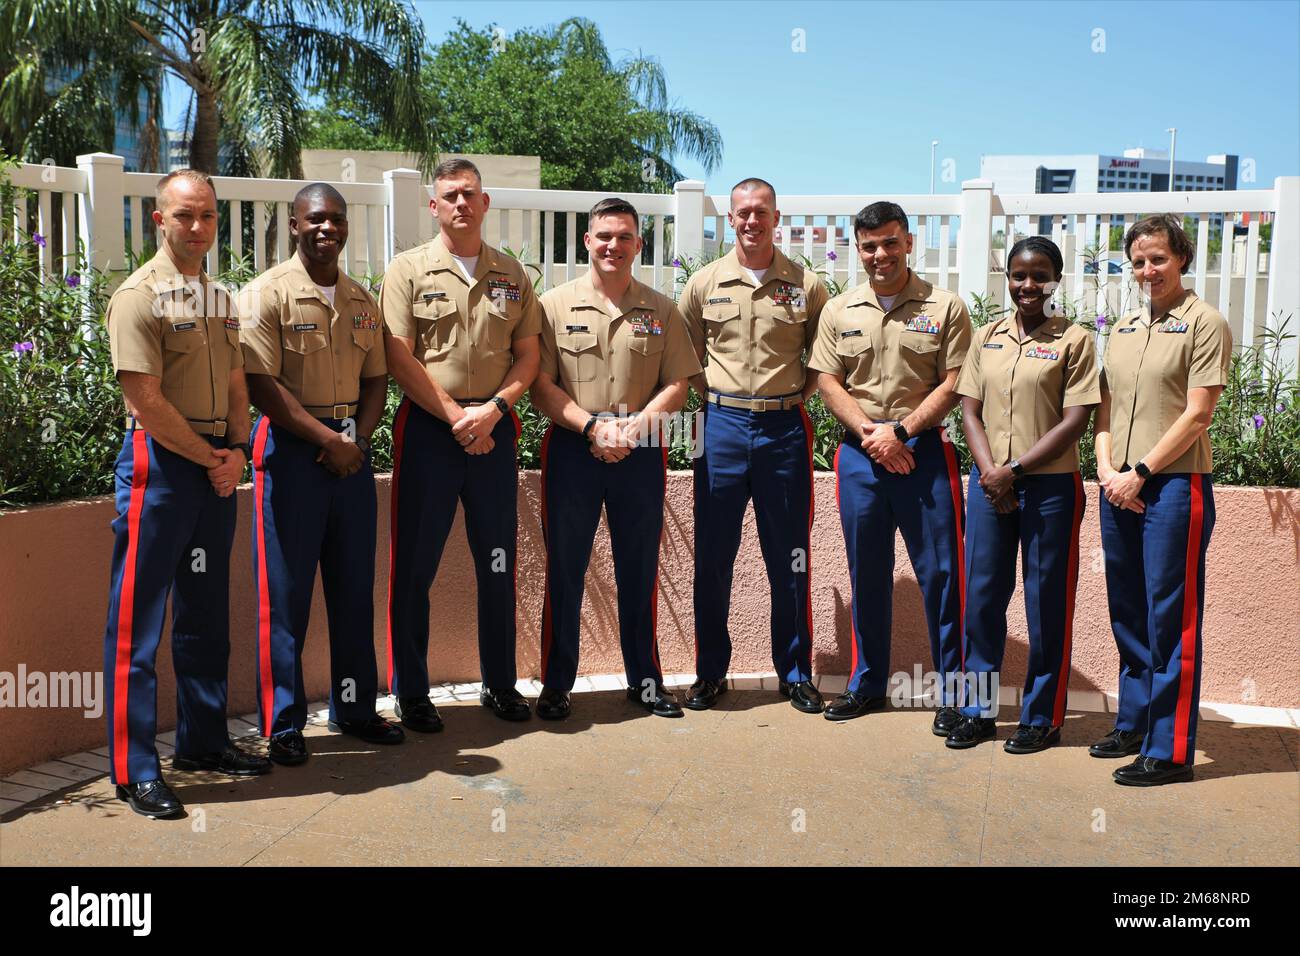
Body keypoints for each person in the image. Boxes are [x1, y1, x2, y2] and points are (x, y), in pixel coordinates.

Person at [102, 169, 270, 819]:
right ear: (158, 219)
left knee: (204, 615)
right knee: (137, 622)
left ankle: (202, 742)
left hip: (212, 468)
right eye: (184, 216)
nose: (197, 227)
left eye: (206, 216)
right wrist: (208, 458)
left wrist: (235, 452)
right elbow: (144, 401)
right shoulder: (138, 296)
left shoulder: (221, 299)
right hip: (162, 467)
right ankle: (134, 768)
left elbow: (235, 380)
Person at [239, 183, 402, 765]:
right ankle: (283, 725)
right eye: (315, 219)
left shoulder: (361, 299)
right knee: (285, 597)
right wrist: (328, 440)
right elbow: (262, 385)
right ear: (294, 224)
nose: (326, 228)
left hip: (350, 458)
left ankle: (355, 708)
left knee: (353, 591)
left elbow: (378, 379)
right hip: (292, 455)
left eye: (335, 219)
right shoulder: (266, 295)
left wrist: (354, 437)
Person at [381, 158, 541, 728]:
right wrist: (455, 416)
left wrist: (493, 411)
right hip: (430, 430)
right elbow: (399, 354)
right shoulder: (407, 270)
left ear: (486, 202)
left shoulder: (511, 273)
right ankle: (413, 692)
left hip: (494, 430)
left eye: (469, 194)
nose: (460, 204)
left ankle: (500, 685)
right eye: (449, 195)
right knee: (415, 566)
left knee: (497, 562)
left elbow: (528, 355)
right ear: (434, 206)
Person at [529, 198, 702, 720]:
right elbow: (539, 384)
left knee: (639, 567)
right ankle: (557, 683)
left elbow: (678, 383)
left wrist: (634, 428)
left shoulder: (661, 309)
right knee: (566, 567)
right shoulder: (552, 307)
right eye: (604, 235)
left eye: (624, 237)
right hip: (574, 446)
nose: (613, 245)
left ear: (638, 246)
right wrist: (592, 427)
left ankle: (645, 682)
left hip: (641, 447)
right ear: (587, 241)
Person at [807, 202, 972, 726]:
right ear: (859, 249)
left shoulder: (945, 306)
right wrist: (872, 435)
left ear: (908, 243)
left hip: (925, 454)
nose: (881, 254)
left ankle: (955, 695)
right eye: (870, 245)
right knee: (867, 573)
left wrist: (901, 432)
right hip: (860, 457)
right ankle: (868, 684)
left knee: (944, 577)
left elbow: (955, 382)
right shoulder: (840, 310)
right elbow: (828, 382)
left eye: (890, 243)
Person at [678, 178, 829, 714]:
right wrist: (717, 402)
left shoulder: (807, 285)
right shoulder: (702, 284)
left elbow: (822, 360)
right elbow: (687, 358)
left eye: (760, 212)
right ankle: (710, 673)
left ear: (776, 216)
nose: (751, 221)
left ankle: (794, 673)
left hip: (783, 431)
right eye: (742, 213)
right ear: (730, 219)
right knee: (713, 557)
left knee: (788, 556)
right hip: (719, 428)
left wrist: (792, 400)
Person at [1092, 214, 1231, 786]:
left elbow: (1199, 413)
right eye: (1139, 260)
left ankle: (1171, 749)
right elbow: (1103, 406)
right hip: (1117, 485)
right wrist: (1105, 469)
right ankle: (1136, 719)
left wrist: (1143, 471)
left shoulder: (1205, 323)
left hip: (1173, 487)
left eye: (1159, 259)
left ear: (1182, 259)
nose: (1148, 270)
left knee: (1169, 616)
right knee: (1127, 609)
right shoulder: (1124, 327)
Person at [945, 237, 1099, 751]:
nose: (1027, 286)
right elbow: (969, 409)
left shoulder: (1074, 341)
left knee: (1045, 601)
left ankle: (1042, 716)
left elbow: (1076, 419)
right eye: (1017, 276)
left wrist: (1012, 470)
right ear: (1007, 279)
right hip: (990, 485)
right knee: (982, 599)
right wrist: (992, 473)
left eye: (1038, 276)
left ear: (1055, 279)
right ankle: (977, 709)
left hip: (1049, 487)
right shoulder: (986, 336)